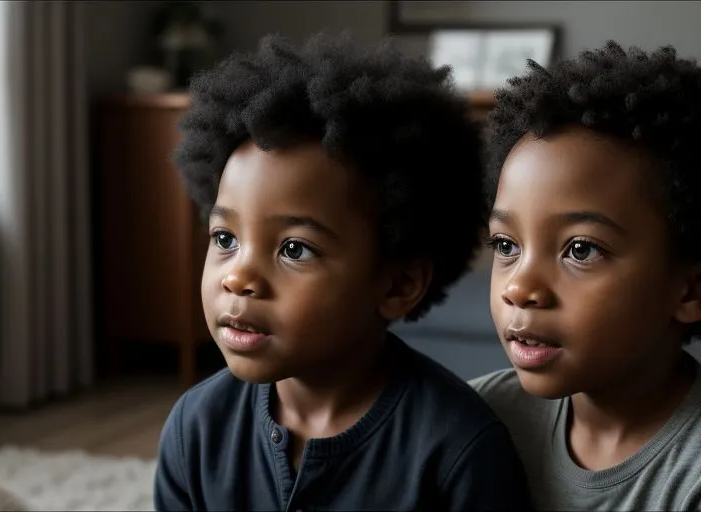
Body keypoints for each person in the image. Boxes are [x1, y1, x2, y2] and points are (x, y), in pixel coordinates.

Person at [153, 32, 532, 511]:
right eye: (225, 239)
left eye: (294, 249)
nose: (238, 278)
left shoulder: (458, 448)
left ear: (398, 283)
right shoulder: (195, 428)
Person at [471, 40, 701, 510]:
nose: (519, 287)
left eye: (580, 249)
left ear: (691, 289)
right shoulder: (475, 418)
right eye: (506, 246)